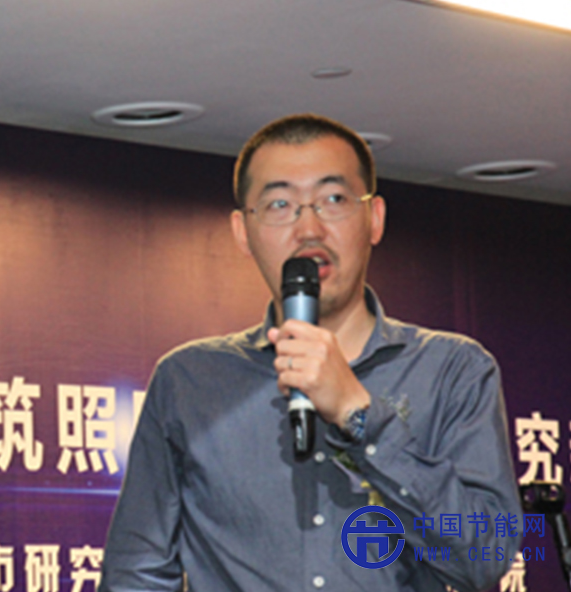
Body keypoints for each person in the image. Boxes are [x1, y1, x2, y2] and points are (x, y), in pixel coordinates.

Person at [98, 113, 522, 592]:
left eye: (333, 199)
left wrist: (361, 417)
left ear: (374, 218)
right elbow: (134, 574)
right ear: (242, 231)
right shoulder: (189, 380)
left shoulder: (452, 370)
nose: (309, 228)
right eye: (279, 204)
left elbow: (486, 557)